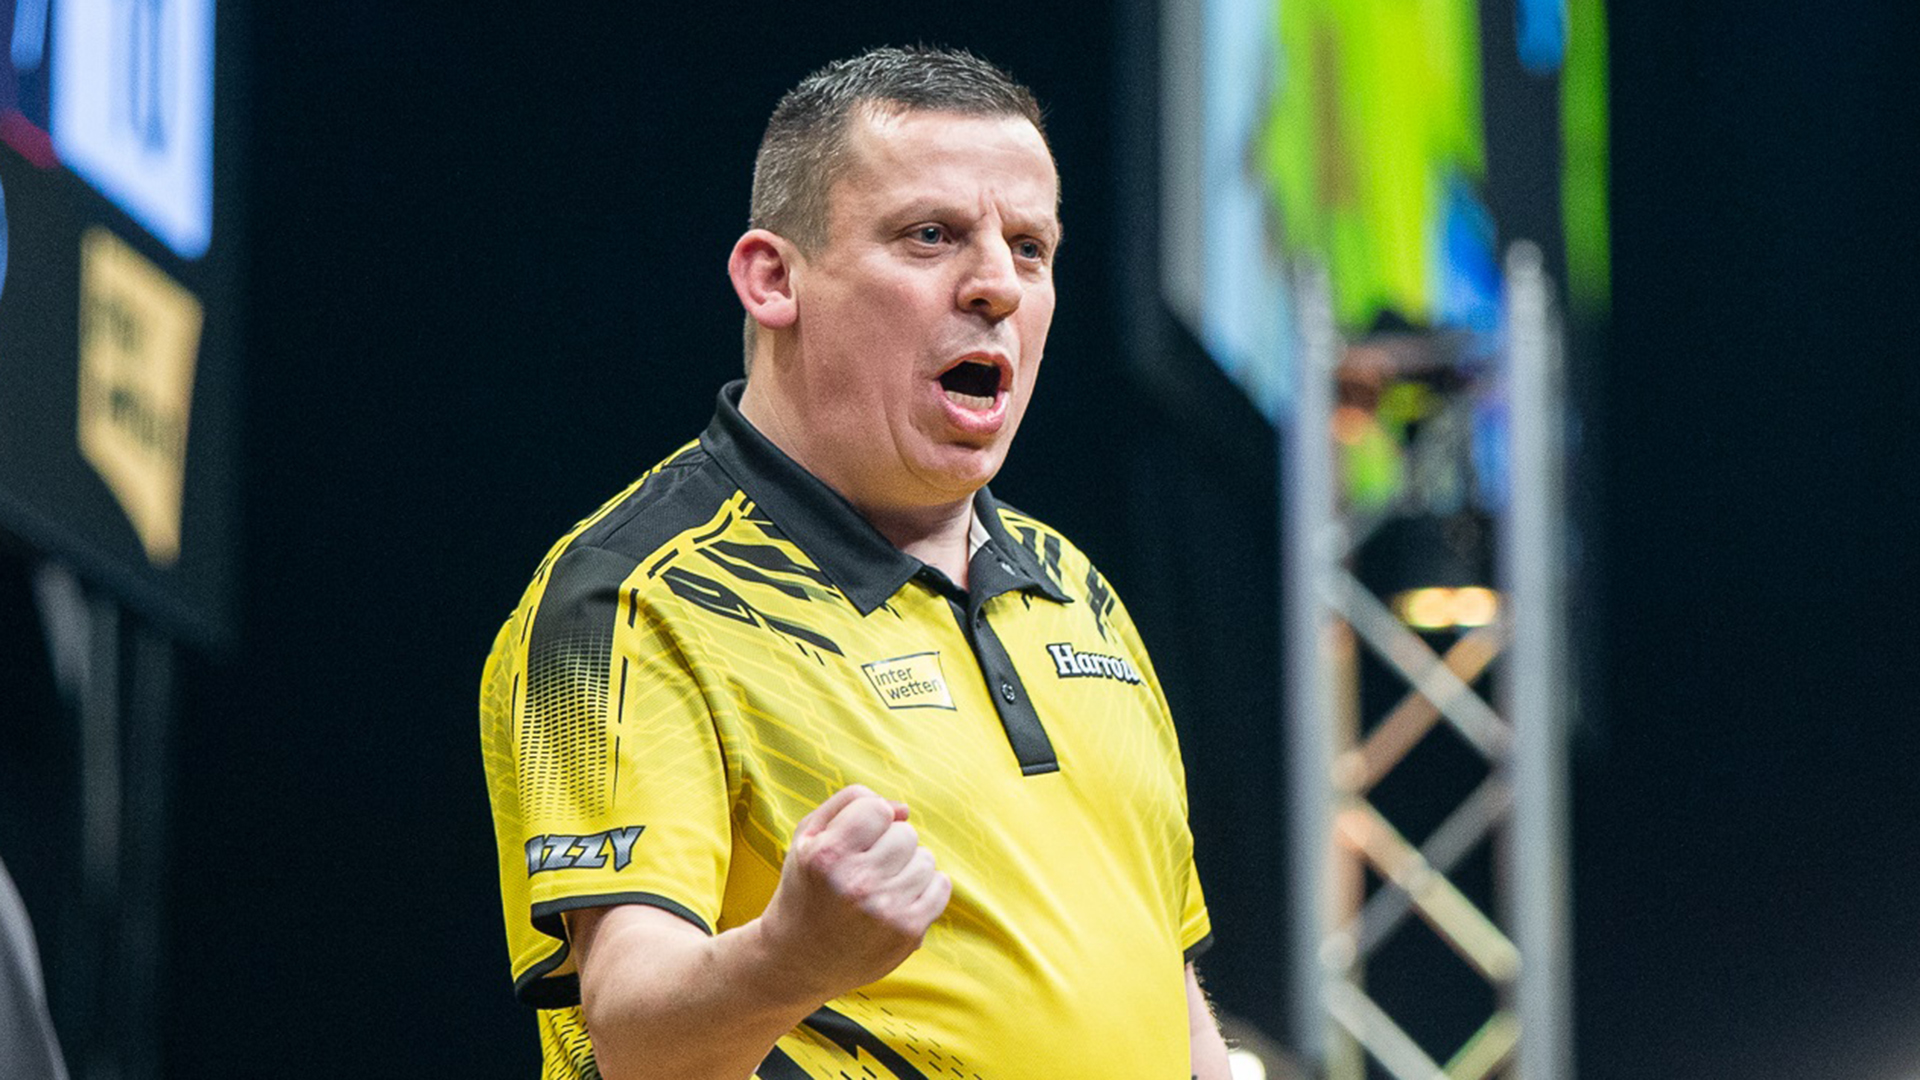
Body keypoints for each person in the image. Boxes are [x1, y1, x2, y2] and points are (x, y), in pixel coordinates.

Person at [480, 45, 1231, 1080]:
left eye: (1030, 248)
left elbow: (1161, 975)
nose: (997, 287)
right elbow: (632, 1039)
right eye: (932, 236)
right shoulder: (632, 598)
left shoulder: (1076, 592)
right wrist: (791, 957)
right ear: (773, 279)